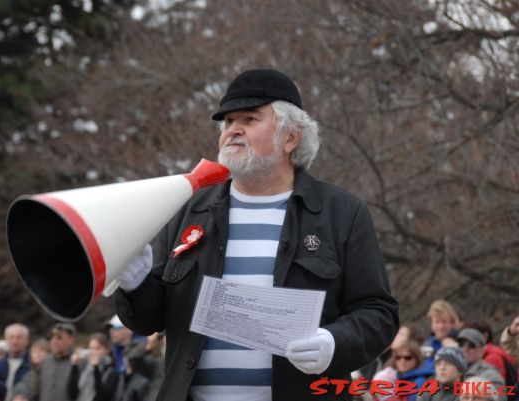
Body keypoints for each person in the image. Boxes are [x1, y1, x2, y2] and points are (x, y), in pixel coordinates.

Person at [113, 69, 399, 401]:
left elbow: (379, 312)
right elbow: (149, 318)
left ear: (291, 137)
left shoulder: (341, 213)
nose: (233, 130)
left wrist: (334, 342)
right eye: (227, 122)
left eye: (250, 119)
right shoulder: (187, 208)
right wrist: (135, 285)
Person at [67, 333, 119, 401]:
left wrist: (96, 368)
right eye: (90, 348)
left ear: (107, 350)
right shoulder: (84, 368)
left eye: (97, 348)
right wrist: (74, 367)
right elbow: (72, 394)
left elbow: (103, 397)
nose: (93, 352)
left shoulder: (111, 372)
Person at [457, 328, 505, 401]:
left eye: (471, 345)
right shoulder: (453, 371)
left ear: (482, 349)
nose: (465, 349)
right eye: (461, 344)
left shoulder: (491, 375)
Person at [0, 323, 31, 401]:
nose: (14, 341)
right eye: (11, 337)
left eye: (19, 337)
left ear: (26, 340)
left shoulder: (32, 365)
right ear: (6, 340)